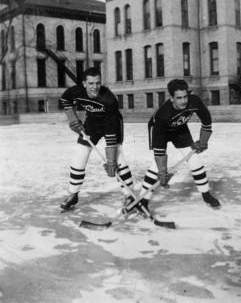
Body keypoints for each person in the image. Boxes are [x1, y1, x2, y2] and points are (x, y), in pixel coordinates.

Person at [137, 79, 220, 212]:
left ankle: (206, 194)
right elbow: (160, 152)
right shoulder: (162, 115)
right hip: (161, 131)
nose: (183, 101)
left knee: (195, 160)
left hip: (180, 128)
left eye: (185, 96)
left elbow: (206, 120)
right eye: (179, 98)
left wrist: (203, 141)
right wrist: (162, 171)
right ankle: (143, 200)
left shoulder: (194, 101)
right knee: (157, 168)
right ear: (171, 98)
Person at [59, 67, 134, 210]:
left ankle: (129, 195)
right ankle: (73, 194)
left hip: (111, 124)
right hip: (92, 122)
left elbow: (111, 130)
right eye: (91, 83)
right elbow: (65, 100)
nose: (95, 87)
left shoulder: (109, 99)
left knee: (118, 159)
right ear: (84, 83)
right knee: (80, 154)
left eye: (98, 83)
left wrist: (110, 160)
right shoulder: (75, 91)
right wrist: (73, 120)